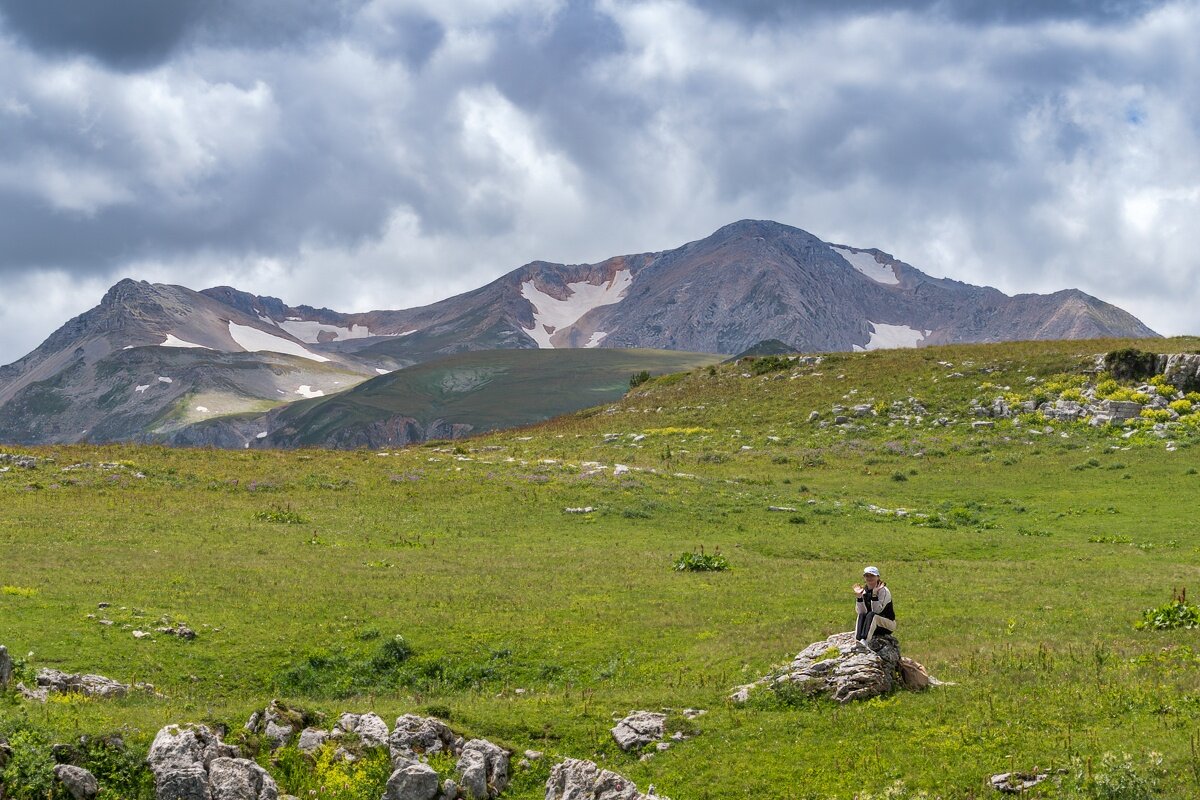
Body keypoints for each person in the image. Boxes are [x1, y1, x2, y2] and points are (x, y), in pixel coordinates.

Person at [853, 566, 896, 643]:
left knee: (872, 615)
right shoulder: (863, 591)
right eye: (867, 576)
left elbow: (877, 610)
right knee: (862, 615)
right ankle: (858, 640)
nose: (869, 578)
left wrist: (874, 595)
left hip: (887, 624)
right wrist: (859, 597)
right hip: (870, 624)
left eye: (872, 575)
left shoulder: (884, 591)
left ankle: (865, 642)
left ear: (878, 577)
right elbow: (861, 612)